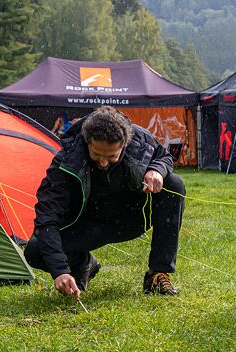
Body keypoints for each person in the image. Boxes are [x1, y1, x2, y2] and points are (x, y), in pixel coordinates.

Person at [25, 106, 185, 299]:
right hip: (87, 226)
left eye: (111, 156)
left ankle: (158, 273)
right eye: (97, 154)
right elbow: (47, 218)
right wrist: (60, 270)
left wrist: (157, 170)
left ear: (124, 144)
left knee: (174, 183)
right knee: (34, 251)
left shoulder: (139, 139)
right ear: (87, 142)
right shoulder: (66, 161)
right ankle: (82, 265)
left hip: (131, 219)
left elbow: (163, 156)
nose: (103, 162)